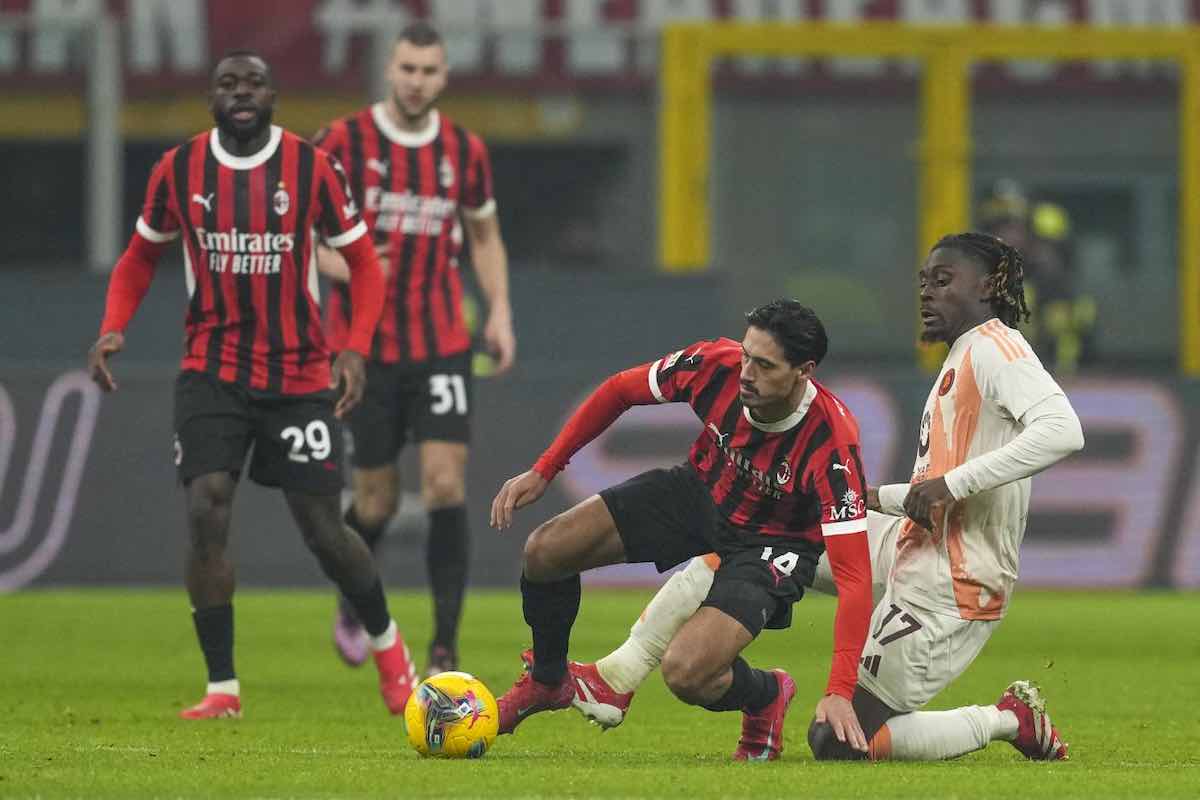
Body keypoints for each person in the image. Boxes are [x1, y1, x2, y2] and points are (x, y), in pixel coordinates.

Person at [556, 233, 1084, 763]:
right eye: (923, 281)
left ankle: (1008, 719)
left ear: (989, 286)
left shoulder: (998, 349)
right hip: (906, 541)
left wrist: (951, 484)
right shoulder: (965, 355)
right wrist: (879, 496)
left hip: (954, 584)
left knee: (837, 743)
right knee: (753, 532)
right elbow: (939, 488)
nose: (926, 293)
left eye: (942, 281)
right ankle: (618, 673)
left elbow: (1062, 430)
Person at [86, 50, 418, 720]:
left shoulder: (312, 167)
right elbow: (139, 255)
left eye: (254, 83)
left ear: (273, 95)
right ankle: (223, 690)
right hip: (212, 370)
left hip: (298, 374)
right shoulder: (179, 169)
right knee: (207, 508)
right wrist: (113, 326)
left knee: (325, 531)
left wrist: (352, 349)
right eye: (228, 83)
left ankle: (390, 652)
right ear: (212, 98)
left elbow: (363, 262)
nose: (242, 93)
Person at [489, 299, 874, 761]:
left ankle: (766, 694)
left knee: (687, 673)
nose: (746, 372)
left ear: (804, 371)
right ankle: (549, 680)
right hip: (699, 492)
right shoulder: (715, 365)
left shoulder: (832, 443)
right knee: (545, 550)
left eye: (764, 364)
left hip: (772, 544)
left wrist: (838, 690)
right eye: (747, 355)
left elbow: (854, 579)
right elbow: (619, 391)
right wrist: (546, 468)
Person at [313, 21, 516, 677]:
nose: (417, 81)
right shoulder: (343, 141)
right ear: (390, 70)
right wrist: (341, 266)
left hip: (441, 342)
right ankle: (355, 597)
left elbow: (484, 236)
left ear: (444, 75)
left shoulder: (464, 150)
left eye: (429, 71)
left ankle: (443, 646)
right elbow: (304, 235)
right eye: (407, 69)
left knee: (444, 483)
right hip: (364, 350)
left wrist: (501, 311)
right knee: (373, 500)